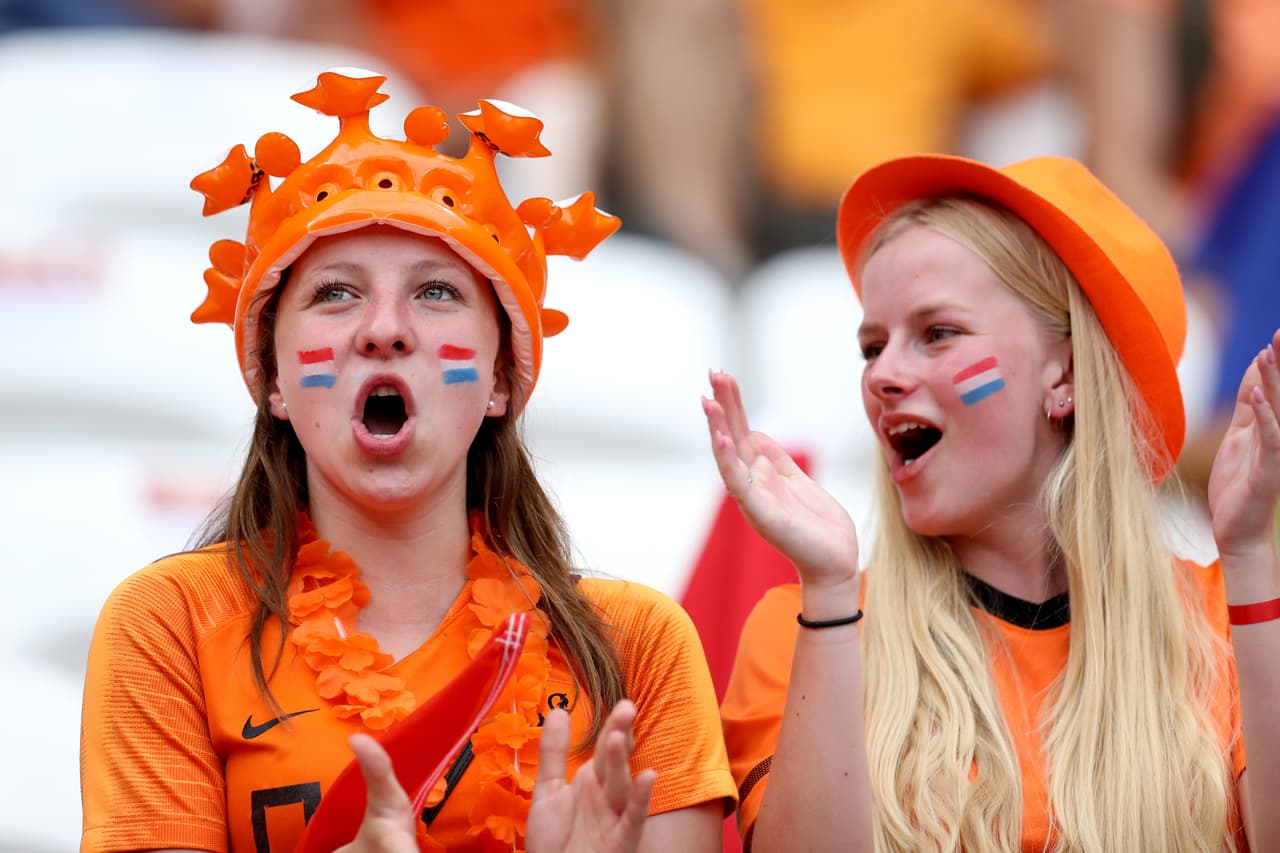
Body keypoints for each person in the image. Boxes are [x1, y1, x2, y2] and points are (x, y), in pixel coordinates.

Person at [79, 67, 734, 853]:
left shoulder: (636, 644)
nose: (384, 330)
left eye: (434, 292)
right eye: (335, 293)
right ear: (275, 380)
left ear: (500, 378)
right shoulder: (170, 624)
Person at [705, 153, 1280, 850]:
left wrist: (1248, 555)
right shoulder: (806, 630)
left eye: (938, 333)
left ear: (1064, 372)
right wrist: (827, 592)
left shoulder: (1226, 619)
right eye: (872, 346)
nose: (883, 374)